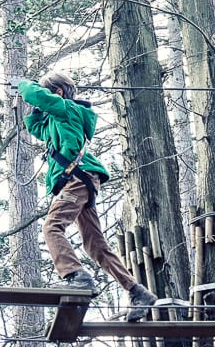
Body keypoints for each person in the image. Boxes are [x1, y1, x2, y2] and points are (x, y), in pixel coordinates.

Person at [13, 72, 158, 322]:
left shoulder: (66, 109)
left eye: (48, 96)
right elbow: (35, 126)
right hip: (81, 181)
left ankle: (75, 276)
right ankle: (137, 291)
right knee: (95, 244)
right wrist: (34, 106)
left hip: (77, 179)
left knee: (52, 227)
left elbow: (40, 96)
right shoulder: (56, 119)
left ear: (57, 93)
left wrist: (24, 85)